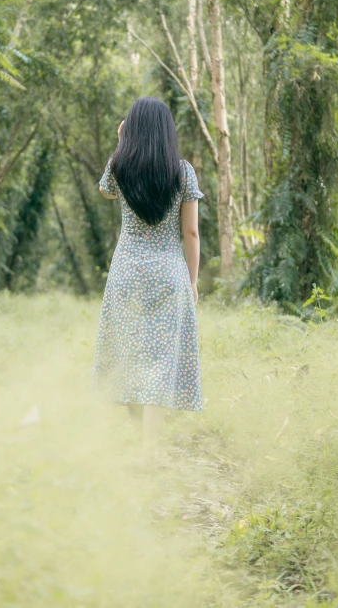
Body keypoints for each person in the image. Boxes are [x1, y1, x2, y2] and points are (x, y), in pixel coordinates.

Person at [92, 97, 203, 450]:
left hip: (127, 275)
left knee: (130, 359)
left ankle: (143, 440)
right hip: (169, 276)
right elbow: (191, 233)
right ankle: (149, 449)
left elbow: (105, 191)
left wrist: (120, 143)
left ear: (132, 129)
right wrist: (192, 281)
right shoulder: (182, 172)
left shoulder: (120, 167)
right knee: (159, 365)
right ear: (168, 131)